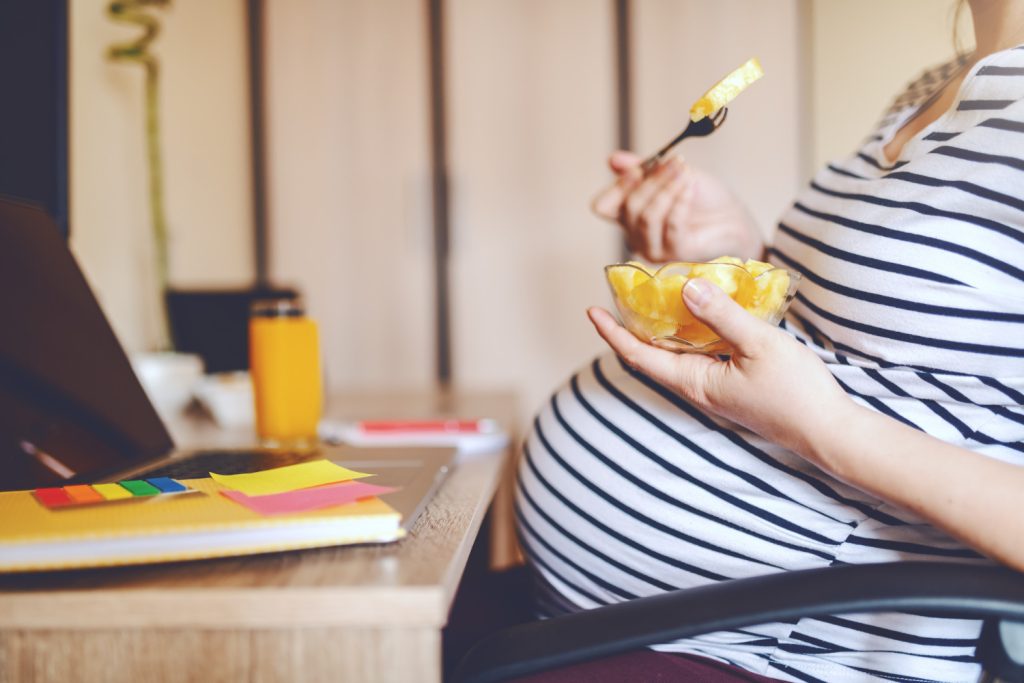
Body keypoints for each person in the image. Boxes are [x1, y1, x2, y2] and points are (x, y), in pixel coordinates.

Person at [514, 1, 1024, 681]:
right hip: (637, 620)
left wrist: (828, 428)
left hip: (774, 654)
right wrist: (737, 252)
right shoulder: (936, 84)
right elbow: (883, 355)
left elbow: (841, 401)